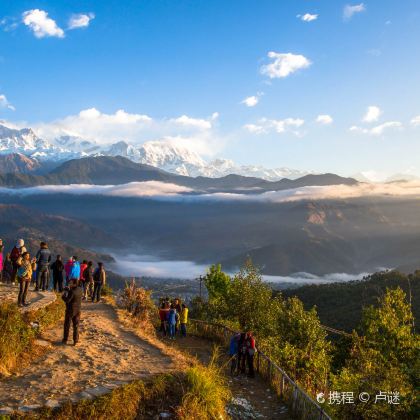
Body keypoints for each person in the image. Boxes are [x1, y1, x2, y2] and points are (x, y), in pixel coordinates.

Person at [62, 279, 83, 345]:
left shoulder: (72, 291)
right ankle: (75, 340)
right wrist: (68, 290)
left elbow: (67, 300)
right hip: (78, 310)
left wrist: (63, 296)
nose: (69, 284)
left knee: (67, 325)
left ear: (74, 284)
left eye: (70, 283)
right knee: (76, 325)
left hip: (70, 310)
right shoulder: (80, 289)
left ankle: (65, 339)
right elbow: (74, 295)